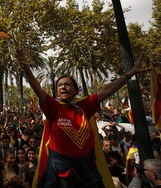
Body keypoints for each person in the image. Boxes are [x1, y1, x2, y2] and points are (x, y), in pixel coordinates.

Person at [16, 49, 151, 188]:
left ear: (75, 90)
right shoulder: (53, 107)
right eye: (60, 85)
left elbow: (107, 90)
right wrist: (25, 67)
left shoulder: (83, 107)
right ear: (56, 91)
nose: (63, 87)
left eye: (68, 84)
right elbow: (37, 87)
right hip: (60, 171)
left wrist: (130, 73)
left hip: (86, 169)